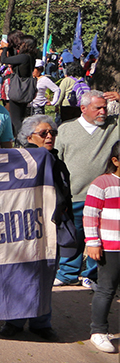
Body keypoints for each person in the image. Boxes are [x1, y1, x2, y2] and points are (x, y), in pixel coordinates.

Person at [0, 114, 73, 342]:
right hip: (24, 228)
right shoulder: (20, 159)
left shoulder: (56, 160)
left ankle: (41, 323)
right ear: (29, 137)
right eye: (44, 133)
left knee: (45, 275)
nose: (49, 136)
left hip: (51, 228)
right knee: (20, 274)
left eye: (52, 133)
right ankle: (15, 321)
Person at [55, 90, 120, 287]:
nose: (103, 112)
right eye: (97, 108)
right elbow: (57, 160)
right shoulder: (66, 130)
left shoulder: (113, 127)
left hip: (103, 196)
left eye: (104, 107)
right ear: (83, 109)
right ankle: (67, 273)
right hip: (75, 195)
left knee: (98, 237)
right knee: (73, 236)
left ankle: (91, 275)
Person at [84, 140, 120, 353]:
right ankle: (98, 331)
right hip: (110, 247)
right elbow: (90, 215)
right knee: (107, 289)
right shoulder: (103, 183)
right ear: (115, 161)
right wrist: (93, 243)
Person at [0, 31, 38, 134]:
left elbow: (4, 59)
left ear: (26, 45)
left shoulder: (23, 57)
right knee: (22, 116)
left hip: (18, 89)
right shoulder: (31, 57)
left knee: (15, 119)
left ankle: (20, 139)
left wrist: (5, 47)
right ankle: (24, 137)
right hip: (26, 89)